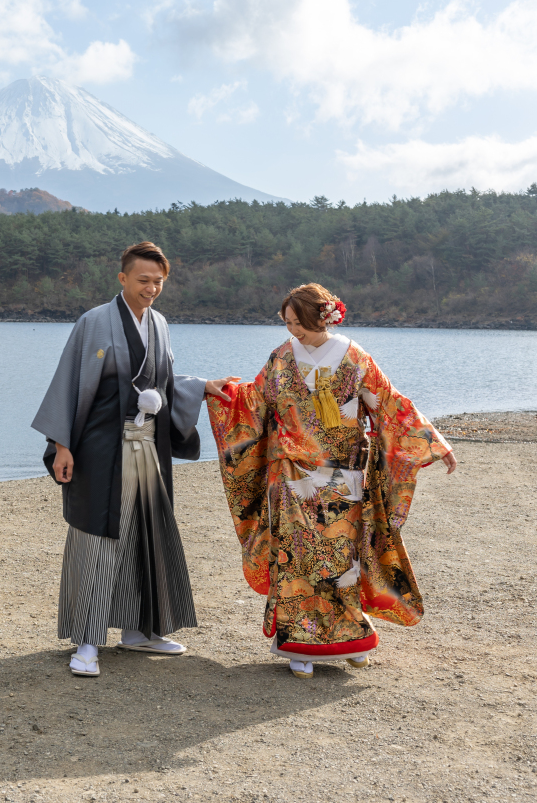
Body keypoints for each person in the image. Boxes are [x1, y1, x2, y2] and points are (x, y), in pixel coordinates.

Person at [206, 282, 457, 680]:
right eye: (287, 323)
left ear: (318, 318)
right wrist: (218, 392)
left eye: (297, 323)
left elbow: (390, 404)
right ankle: (301, 641)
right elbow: (254, 401)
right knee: (298, 559)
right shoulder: (281, 357)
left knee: (344, 560)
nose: (292, 331)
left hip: (344, 476)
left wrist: (433, 442)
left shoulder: (355, 357)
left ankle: (351, 633)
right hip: (290, 476)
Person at [32, 240, 237, 677]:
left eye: (158, 282)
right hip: (101, 448)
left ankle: (139, 630)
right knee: (98, 537)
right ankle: (86, 641)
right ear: (122, 278)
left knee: (148, 533)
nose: (151, 288)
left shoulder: (159, 323)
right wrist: (62, 444)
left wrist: (200, 386)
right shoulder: (94, 322)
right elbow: (69, 382)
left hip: (149, 447)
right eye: (143, 280)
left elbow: (160, 381)